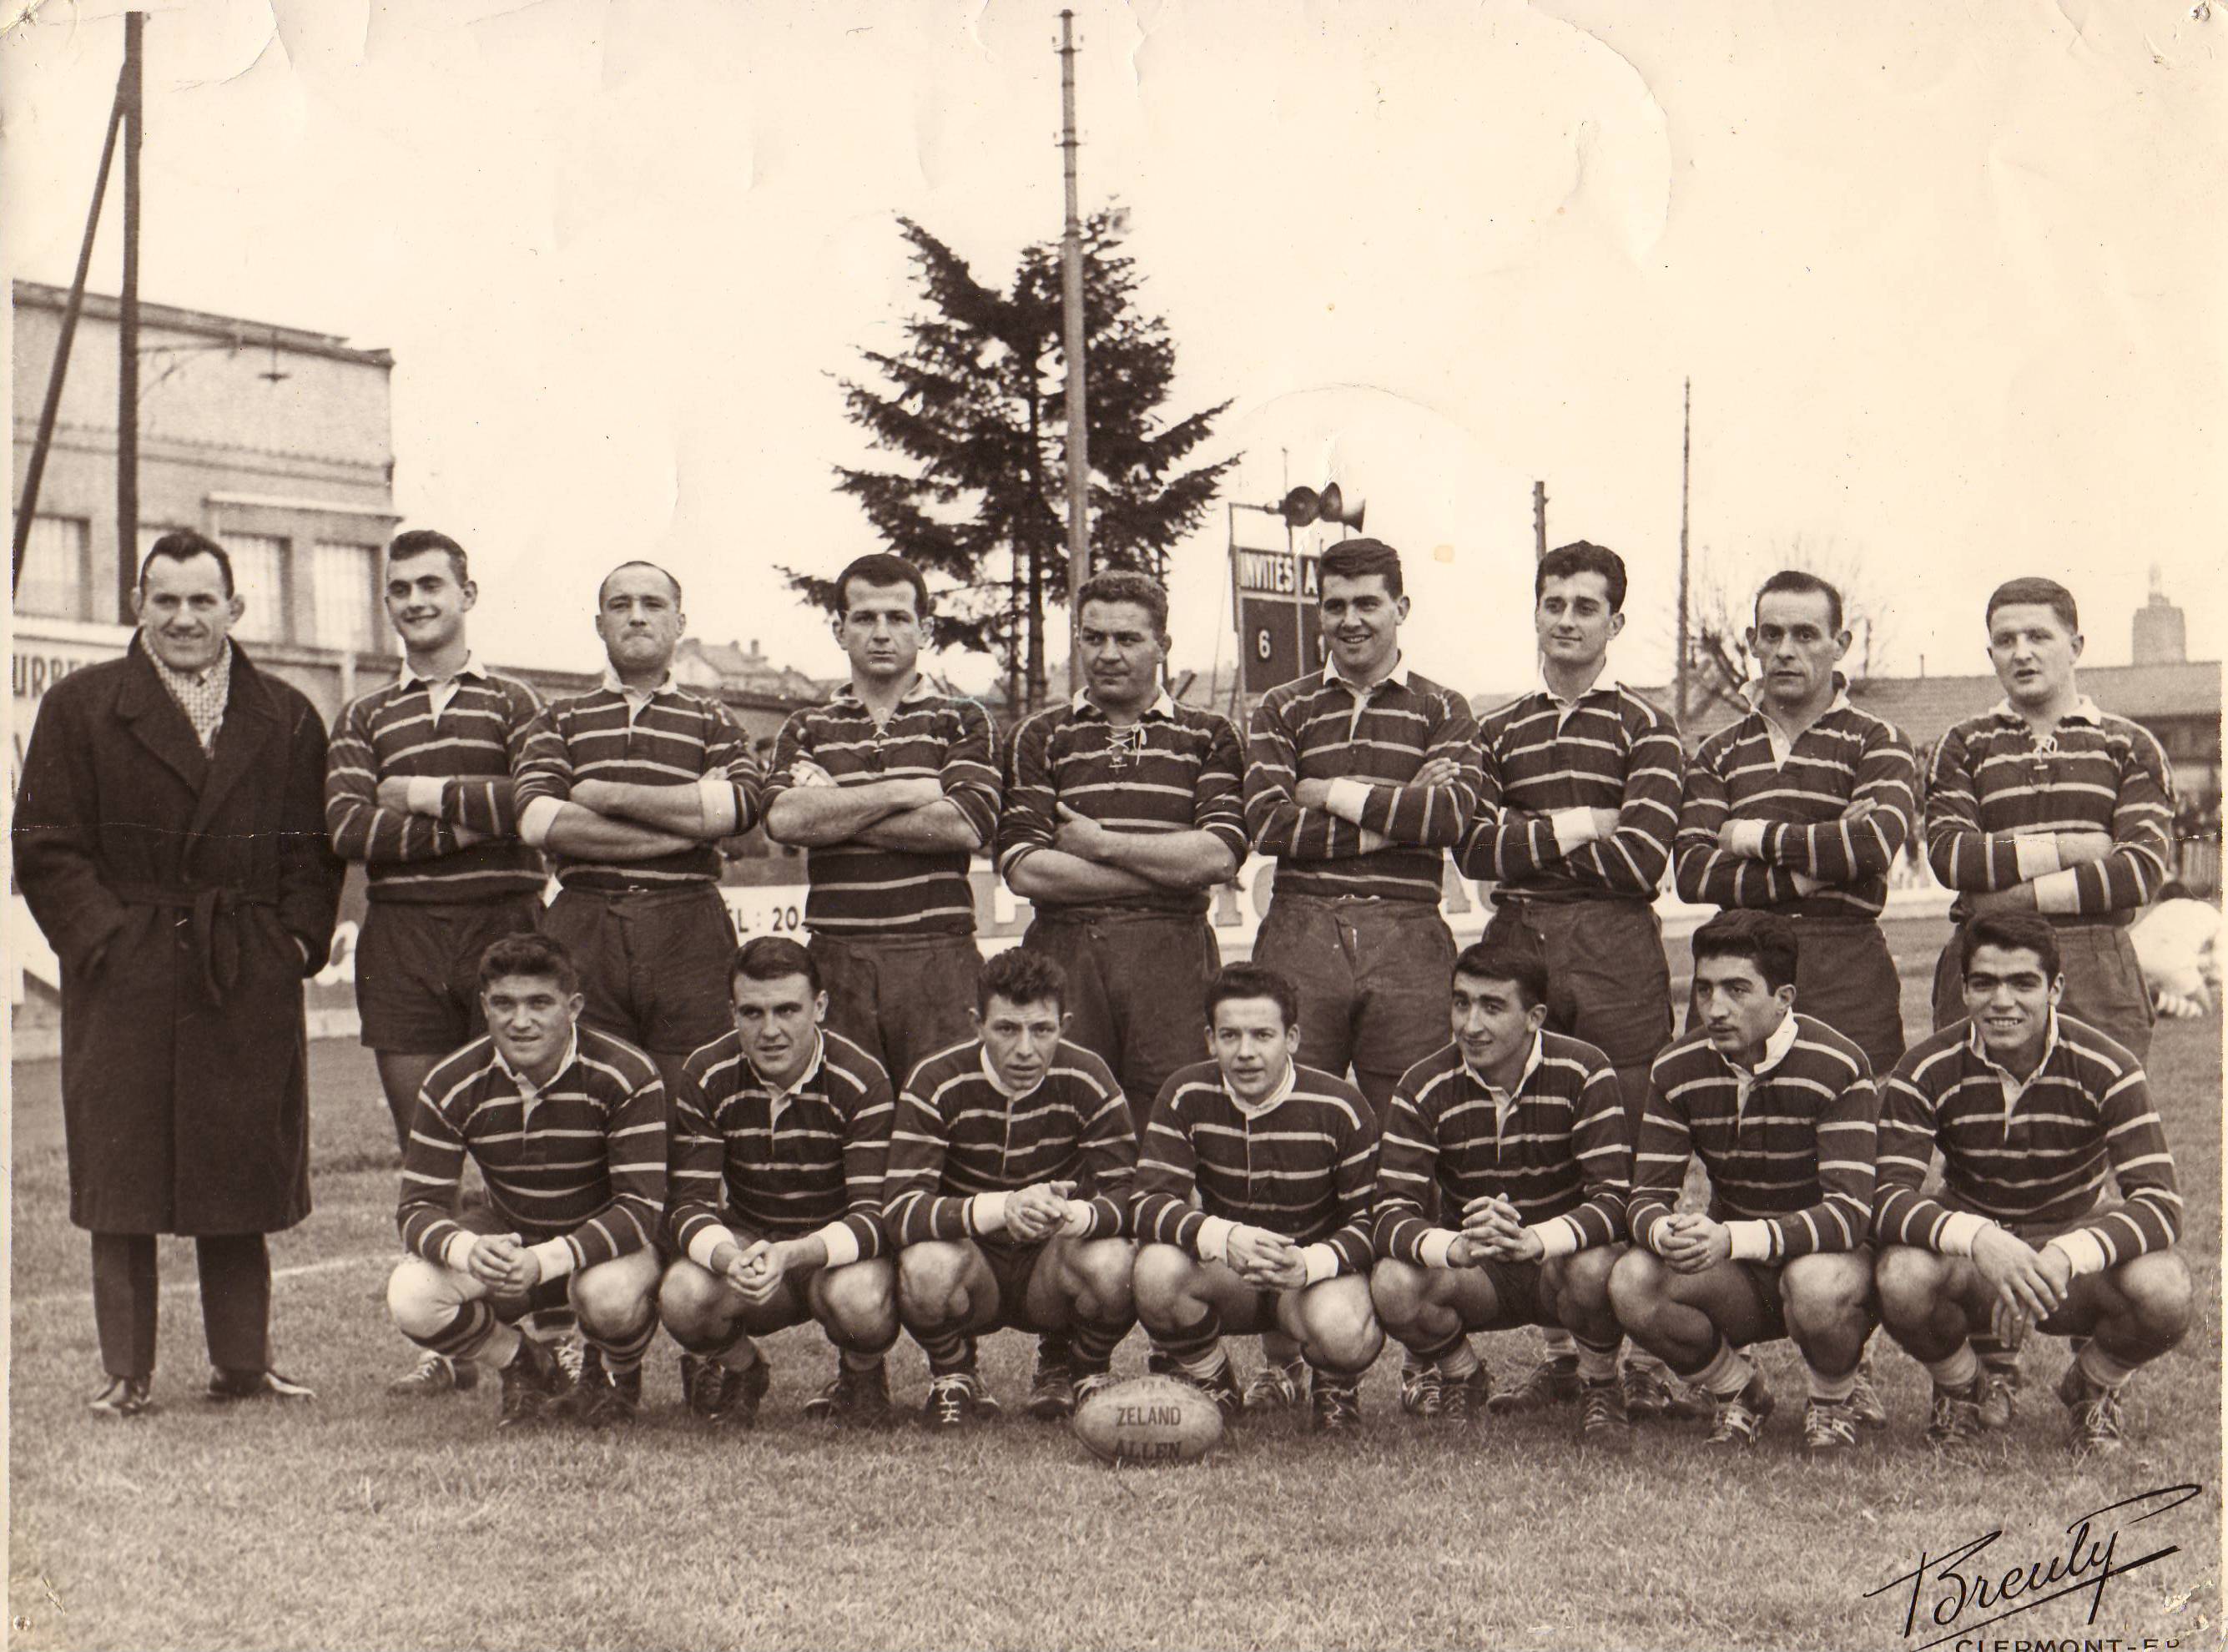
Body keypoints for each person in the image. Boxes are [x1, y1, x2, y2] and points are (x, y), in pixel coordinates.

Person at [14, 531, 345, 1418]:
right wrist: (104, 943)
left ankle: (243, 1364)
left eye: (204, 601)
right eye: (166, 600)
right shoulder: (81, 707)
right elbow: (45, 847)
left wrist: (291, 947)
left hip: (243, 968)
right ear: (138, 605)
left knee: (237, 1162)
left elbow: (313, 856)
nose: (185, 618)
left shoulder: (288, 715)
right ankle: (126, 1373)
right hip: (123, 974)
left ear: (236, 609)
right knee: (120, 1171)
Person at [1457, 539, 1696, 1425]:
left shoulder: (1647, 728)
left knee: (1626, 1142)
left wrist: (1532, 833)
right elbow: (1475, 851)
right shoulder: (1496, 730)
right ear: (1536, 612)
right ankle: (1565, 1357)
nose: (1566, 620)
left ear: (1615, 622)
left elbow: (1641, 858)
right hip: (1519, 934)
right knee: (1531, 1136)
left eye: (1585, 606)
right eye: (1553, 603)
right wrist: (1590, 818)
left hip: (1616, 946)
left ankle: (1636, 1356)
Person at [996, 570, 1247, 1408]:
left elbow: (1216, 856)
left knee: (1172, 1140)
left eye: (1128, 637)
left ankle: (1180, 1343)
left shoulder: (1209, 734)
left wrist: (1100, 841)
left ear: (1162, 645)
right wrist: (1157, 861)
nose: (1109, 653)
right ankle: (1071, 1348)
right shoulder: (1040, 735)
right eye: (1094, 637)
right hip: (1067, 954)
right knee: (1071, 1139)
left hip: (1172, 957)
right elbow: (1028, 868)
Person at [1243, 535, 1476, 1413]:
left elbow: (1451, 816)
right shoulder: (1282, 706)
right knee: (1283, 1127)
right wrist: (1398, 804)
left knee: (1409, 1139)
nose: (1350, 620)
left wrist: (1327, 792)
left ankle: (1422, 1355)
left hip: (1408, 929)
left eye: (1367, 602)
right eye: (1334, 605)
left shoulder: (1444, 707)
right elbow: (1268, 821)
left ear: (1400, 608)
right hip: (1301, 921)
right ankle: (1285, 1353)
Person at [325, 528, 549, 1398]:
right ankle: (453, 1340)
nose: (416, 601)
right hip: (404, 938)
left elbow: (534, 801)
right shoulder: (363, 716)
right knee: (427, 1149)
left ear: (468, 594)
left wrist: (421, 801)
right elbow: (350, 827)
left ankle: (552, 1328)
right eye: (401, 589)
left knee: (528, 1144)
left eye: (431, 585)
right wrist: (470, 825)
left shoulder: (517, 703)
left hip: (505, 931)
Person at [1874, 913, 2190, 1454]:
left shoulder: (2109, 1066)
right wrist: (1979, 1238)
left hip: (2070, 1246)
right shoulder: (1925, 1068)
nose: (2003, 1001)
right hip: (1976, 1254)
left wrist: (2068, 1253)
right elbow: (1885, 1200)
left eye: (2023, 982)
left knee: (2167, 1288)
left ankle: (2093, 1384)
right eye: (1984, 983)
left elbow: (2161, 1204)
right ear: (1964, 989)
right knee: (1901, 1275)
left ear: (2056, 988)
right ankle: (1964, 1386)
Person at [1608, 911, 1881, 1457]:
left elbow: (1849, 1214)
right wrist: (1665, 1232)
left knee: (1813, 1285)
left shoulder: (1838, 1064)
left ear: (1784, 998)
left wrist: (1731, 1238)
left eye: (1737, 990)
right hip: (1740, 1272)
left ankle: (1833, 1398)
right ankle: (1739, 1391)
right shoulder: (1677, 1067)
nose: (1715, 1008)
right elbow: (1645, 1197)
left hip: (1829, 1262)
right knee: (1633, 1280)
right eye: (1705, 989)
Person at [385, 934, 668, 1427]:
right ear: (484, 1007)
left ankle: (612, 1371)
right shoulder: (452, 1081)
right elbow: (416, 1208)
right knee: (412, 1293)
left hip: (602, 1245)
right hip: (514, 1232)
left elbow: (640, 1210)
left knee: (608, 1294)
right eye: (504, 1004)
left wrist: (545, 1260)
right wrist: (469, 1250)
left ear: (573, 1007)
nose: (520, 1021)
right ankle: (525, 1362)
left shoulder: (626, 1073)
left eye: (539, 1003)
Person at [1369, 941, 1634, 1443]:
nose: (1470, 1024)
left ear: (1535, 1017)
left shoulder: (1585, 1070)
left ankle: (1599, 1383)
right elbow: (1389, 1213)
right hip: (1480, 1271)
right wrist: (1456, 1247)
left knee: (1597, 1264)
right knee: (1392, 1281)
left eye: (1492, 1007)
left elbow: (1615, 1201)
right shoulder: (1422, 1084)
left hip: (1560, 1266)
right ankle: (1463, 1374)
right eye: (1461, 1002)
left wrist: (1538, 1239)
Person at [512, 561, 761, 1095]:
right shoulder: (560, 718)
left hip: (688, 924)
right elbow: (538, 819)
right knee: (583, 1093)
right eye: (620, 605)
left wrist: (605, 796)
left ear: (679, 623)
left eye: (653, 604)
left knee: (692, 1095)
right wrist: (692, 824)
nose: (637, 617)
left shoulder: (713, 719)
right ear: (599, 624)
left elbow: (740, 806)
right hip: (584, 921)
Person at [881, 949, 1138, 1427]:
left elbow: (1131, 1191)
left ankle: (1076, 1368)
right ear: (977, 1024)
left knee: (1114, 1262)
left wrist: (1073, 1215)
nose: (1024, 1049)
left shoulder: (1087, 1076)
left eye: (1041, 1030)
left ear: (1064, 1025)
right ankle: (955, 1374)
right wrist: (1003, 1208)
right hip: (973, 1260)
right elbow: (900, 1209)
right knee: (925, 1264)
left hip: (1051, 1262)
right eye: (1006, 1029)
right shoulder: (936, 1079)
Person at [1924, 577, 2175, 1061]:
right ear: (1991, 653)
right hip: (1985, 957)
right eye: (2006, 640)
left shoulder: (2130, 746)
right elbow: (1953, 858)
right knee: (1979, 1105)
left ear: (2076, 647)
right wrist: (2072, 848)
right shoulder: (1962, 745)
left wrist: (2006, 896)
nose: (2021, 653)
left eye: (2038, 636)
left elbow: (2137, 873)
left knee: (2098, 1102)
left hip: (2095, 966)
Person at [1130, 965, 1384, 1433]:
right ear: (1210, 1040)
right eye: (1230, 1035)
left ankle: (1334, 1383)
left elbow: (1372, 1222)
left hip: (1311, 1280)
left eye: (1262, 1035)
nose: (1245, 1052)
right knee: (1155, 1270)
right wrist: (1224, 1237)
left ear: (1292, 1038)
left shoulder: (1341, 1106)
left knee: (1344, 1327)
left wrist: (1309, 1264)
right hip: (1234, 1273)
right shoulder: (1185, 1093)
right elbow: (1148, 1201)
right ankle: (1212, 1380)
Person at [661, 937, 900, 1429]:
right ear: (732, 1013)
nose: (770, 1030)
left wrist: (793, 1253)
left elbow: (875, 1216)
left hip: (832, 1256)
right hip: (752, 1242)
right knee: (683, 1293)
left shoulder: (862, 1079)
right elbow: (688, 1204)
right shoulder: (706, 1072)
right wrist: (728, 1258)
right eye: (753, 1012)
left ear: (820, 1007)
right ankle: (743, 1369)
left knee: (862, 1297)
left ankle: (861, 1375)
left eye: (787, 1010)